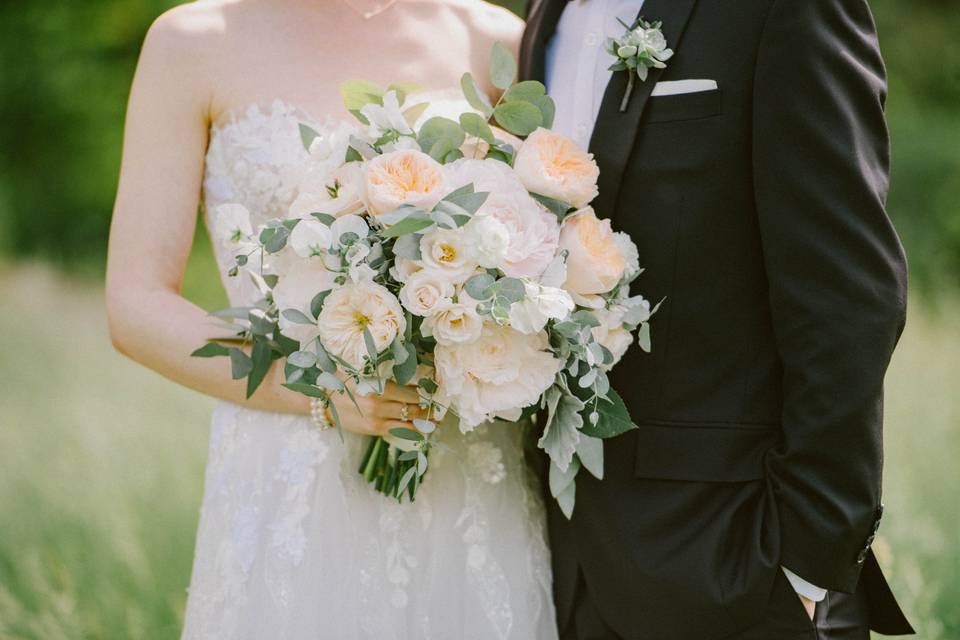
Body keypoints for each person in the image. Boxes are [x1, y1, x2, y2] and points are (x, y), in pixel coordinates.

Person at [105, 1, 558, 638]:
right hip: (291, 474)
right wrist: (313, 390)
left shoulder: (493, 37)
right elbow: (135, 305)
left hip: (465, 470)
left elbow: (543, 241)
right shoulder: (191, 42)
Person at [519, 0, 915, 637]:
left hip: (731, 557)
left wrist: (806, 565)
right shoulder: (546, 15)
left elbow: (848, 294)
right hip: (560, 562)